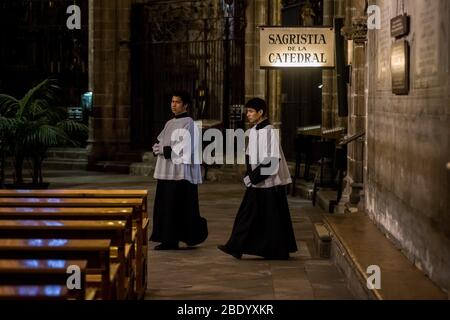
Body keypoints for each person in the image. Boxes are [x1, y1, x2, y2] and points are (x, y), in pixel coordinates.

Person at [218, 97, 297, 260]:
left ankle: (274, 250)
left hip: (268, 183)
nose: (248, 114)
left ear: (261, 112)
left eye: (251, 111)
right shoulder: (254, 131)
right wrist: (249, 175)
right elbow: (249, 155)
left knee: (270, 220)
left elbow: (273, 160)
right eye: (247, 111)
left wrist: (253, 178)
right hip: (257, 182)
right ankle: (235, 247)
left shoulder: (270, 131)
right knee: (248, 216)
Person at [150, 91, 208, 250]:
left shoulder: (189, 123)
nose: (173, 105)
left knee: (176, 207)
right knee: (165, 206)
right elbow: (160, 142)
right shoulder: (169, 123)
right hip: (166, 171)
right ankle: (166, 238)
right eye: (172, 101)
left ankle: (174, 239)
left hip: (180, 173)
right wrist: (158, 149)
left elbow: (184, 149)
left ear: (186, 105)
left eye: (177, 102)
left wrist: (162, 149)